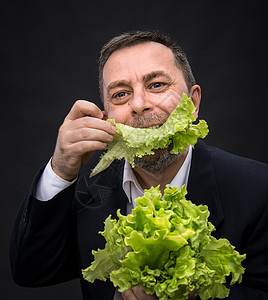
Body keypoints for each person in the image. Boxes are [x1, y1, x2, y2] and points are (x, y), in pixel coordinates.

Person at [10, 31, 268, 300]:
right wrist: (61, 170)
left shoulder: (258, 189)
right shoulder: (84, 190)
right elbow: (31, 271)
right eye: (120, 94)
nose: (139, 105)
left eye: (156, 85)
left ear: (192, 103)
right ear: (106, 117)